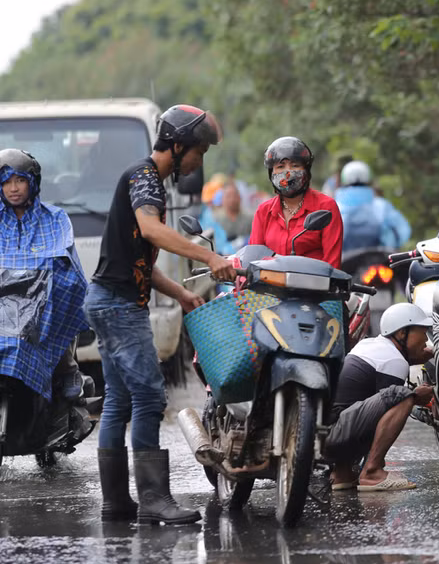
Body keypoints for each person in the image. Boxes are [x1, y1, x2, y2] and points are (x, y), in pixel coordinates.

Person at [84, 104, 237, 525]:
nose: (198, 161)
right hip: (117, 306)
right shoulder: (145, 178)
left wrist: (182, 295)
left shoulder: (146, 180)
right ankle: (154, 500)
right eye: (198, 152)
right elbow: (151, 232)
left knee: (118, 400)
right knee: (150, 396)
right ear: (177, 144)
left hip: (109, 298)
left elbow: (139, 261)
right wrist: (209, 255)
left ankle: (117, 502)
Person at [0, 149, 88, 402]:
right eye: (6, 182)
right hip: (3, 295)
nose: (13, 188)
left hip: (39, 295)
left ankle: (66, 367)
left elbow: (62, 253)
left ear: (33, 183)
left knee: (65, 285)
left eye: (19, 181)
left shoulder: (55, 217)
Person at [325, 303, 434, 491]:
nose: (426, 340)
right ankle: (372, 472)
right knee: (402, 396)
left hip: (326, 435)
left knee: (376, 398)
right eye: (422, 332)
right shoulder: (394, 360)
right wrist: (415, 397)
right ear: (402, 333)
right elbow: (386, 410)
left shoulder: (371, 346)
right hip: (337, 434)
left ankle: (342, 473)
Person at [247, 136, 343, 268]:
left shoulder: (325, 207)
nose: (288, 172)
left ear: (307, 171)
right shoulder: (264, 211)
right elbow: (253, 259)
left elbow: (333, 266)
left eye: (295, 165)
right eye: (280, 167)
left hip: (314, 286)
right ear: (271, 173)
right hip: (270, 286)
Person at [335, 160, 411, 251]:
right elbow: (403, 231)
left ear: (344, 180)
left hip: (342, 263)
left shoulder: (335, 207)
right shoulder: (381, 206)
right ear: (368, 179)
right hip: (379, 261)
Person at [213, 182, 253, 254]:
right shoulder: (216, 219)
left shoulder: (250, 218)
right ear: (223, 199)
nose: (232, 199)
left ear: (239, 197)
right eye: (228, 196)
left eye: (234, 196)